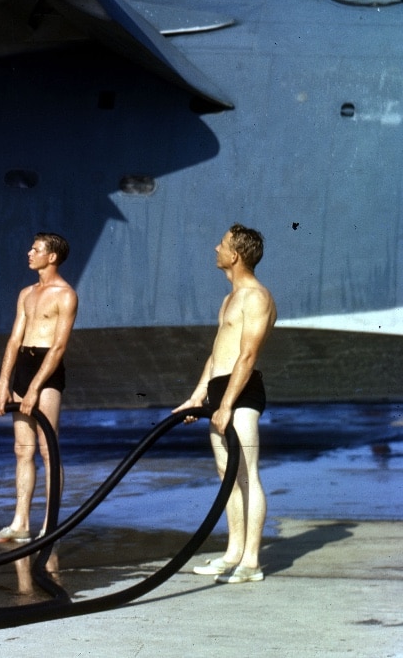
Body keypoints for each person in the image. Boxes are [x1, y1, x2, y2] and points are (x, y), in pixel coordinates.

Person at [176, 224, 277, 584]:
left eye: (221, 244)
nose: (215, 247)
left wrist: (227, 404)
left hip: (242, 392)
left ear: (234, 255)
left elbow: (247, 356)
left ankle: (251, 562)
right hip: (221, 389)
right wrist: (197, 396)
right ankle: (234, 552)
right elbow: (218, 355)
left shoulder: (256, 297)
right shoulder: (228, 299)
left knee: (247, 473)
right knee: (226, 474)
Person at [0, 232, 78, 544]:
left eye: (35, 249)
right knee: (21, 450)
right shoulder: (26, 293)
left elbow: (59, 346)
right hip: (24, 366)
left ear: (52, 256)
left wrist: (36, 387)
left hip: (47, 372)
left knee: (47, 449)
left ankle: (50, 525)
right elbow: (13, 340)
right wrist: (3, 385)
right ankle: (20, 523)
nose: (29, 253)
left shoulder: (66, 295)